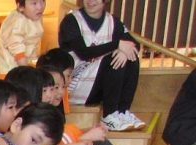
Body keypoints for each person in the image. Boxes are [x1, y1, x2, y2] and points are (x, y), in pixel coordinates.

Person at [37, 46, 162, 145]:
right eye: (55, 87)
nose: (68, 83)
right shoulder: (38, 113)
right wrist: (84, 138)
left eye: (63, 86)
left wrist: (87, 132)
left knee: (85, 132)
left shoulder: (55, 106)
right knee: (76, 132)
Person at [58, 0, 144, 131]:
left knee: (131, 58)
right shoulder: (71, 20)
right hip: (75, 85)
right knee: (112, 58)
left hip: (97, 86)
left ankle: (122, 112)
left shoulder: (112, 21)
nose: (90, 1)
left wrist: (123, 52)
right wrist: (117, 45)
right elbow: (84, 53)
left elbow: (134, 44)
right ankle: (109, 114)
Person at [0, 0, 46, 74]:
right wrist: (27, 71)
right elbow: (17, 49)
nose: (40, 7)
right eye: (34, 3)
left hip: (25, 61)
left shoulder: (35, 16)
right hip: (10, 67)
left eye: (43, 1)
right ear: (20, 7)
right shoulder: (17, 21)